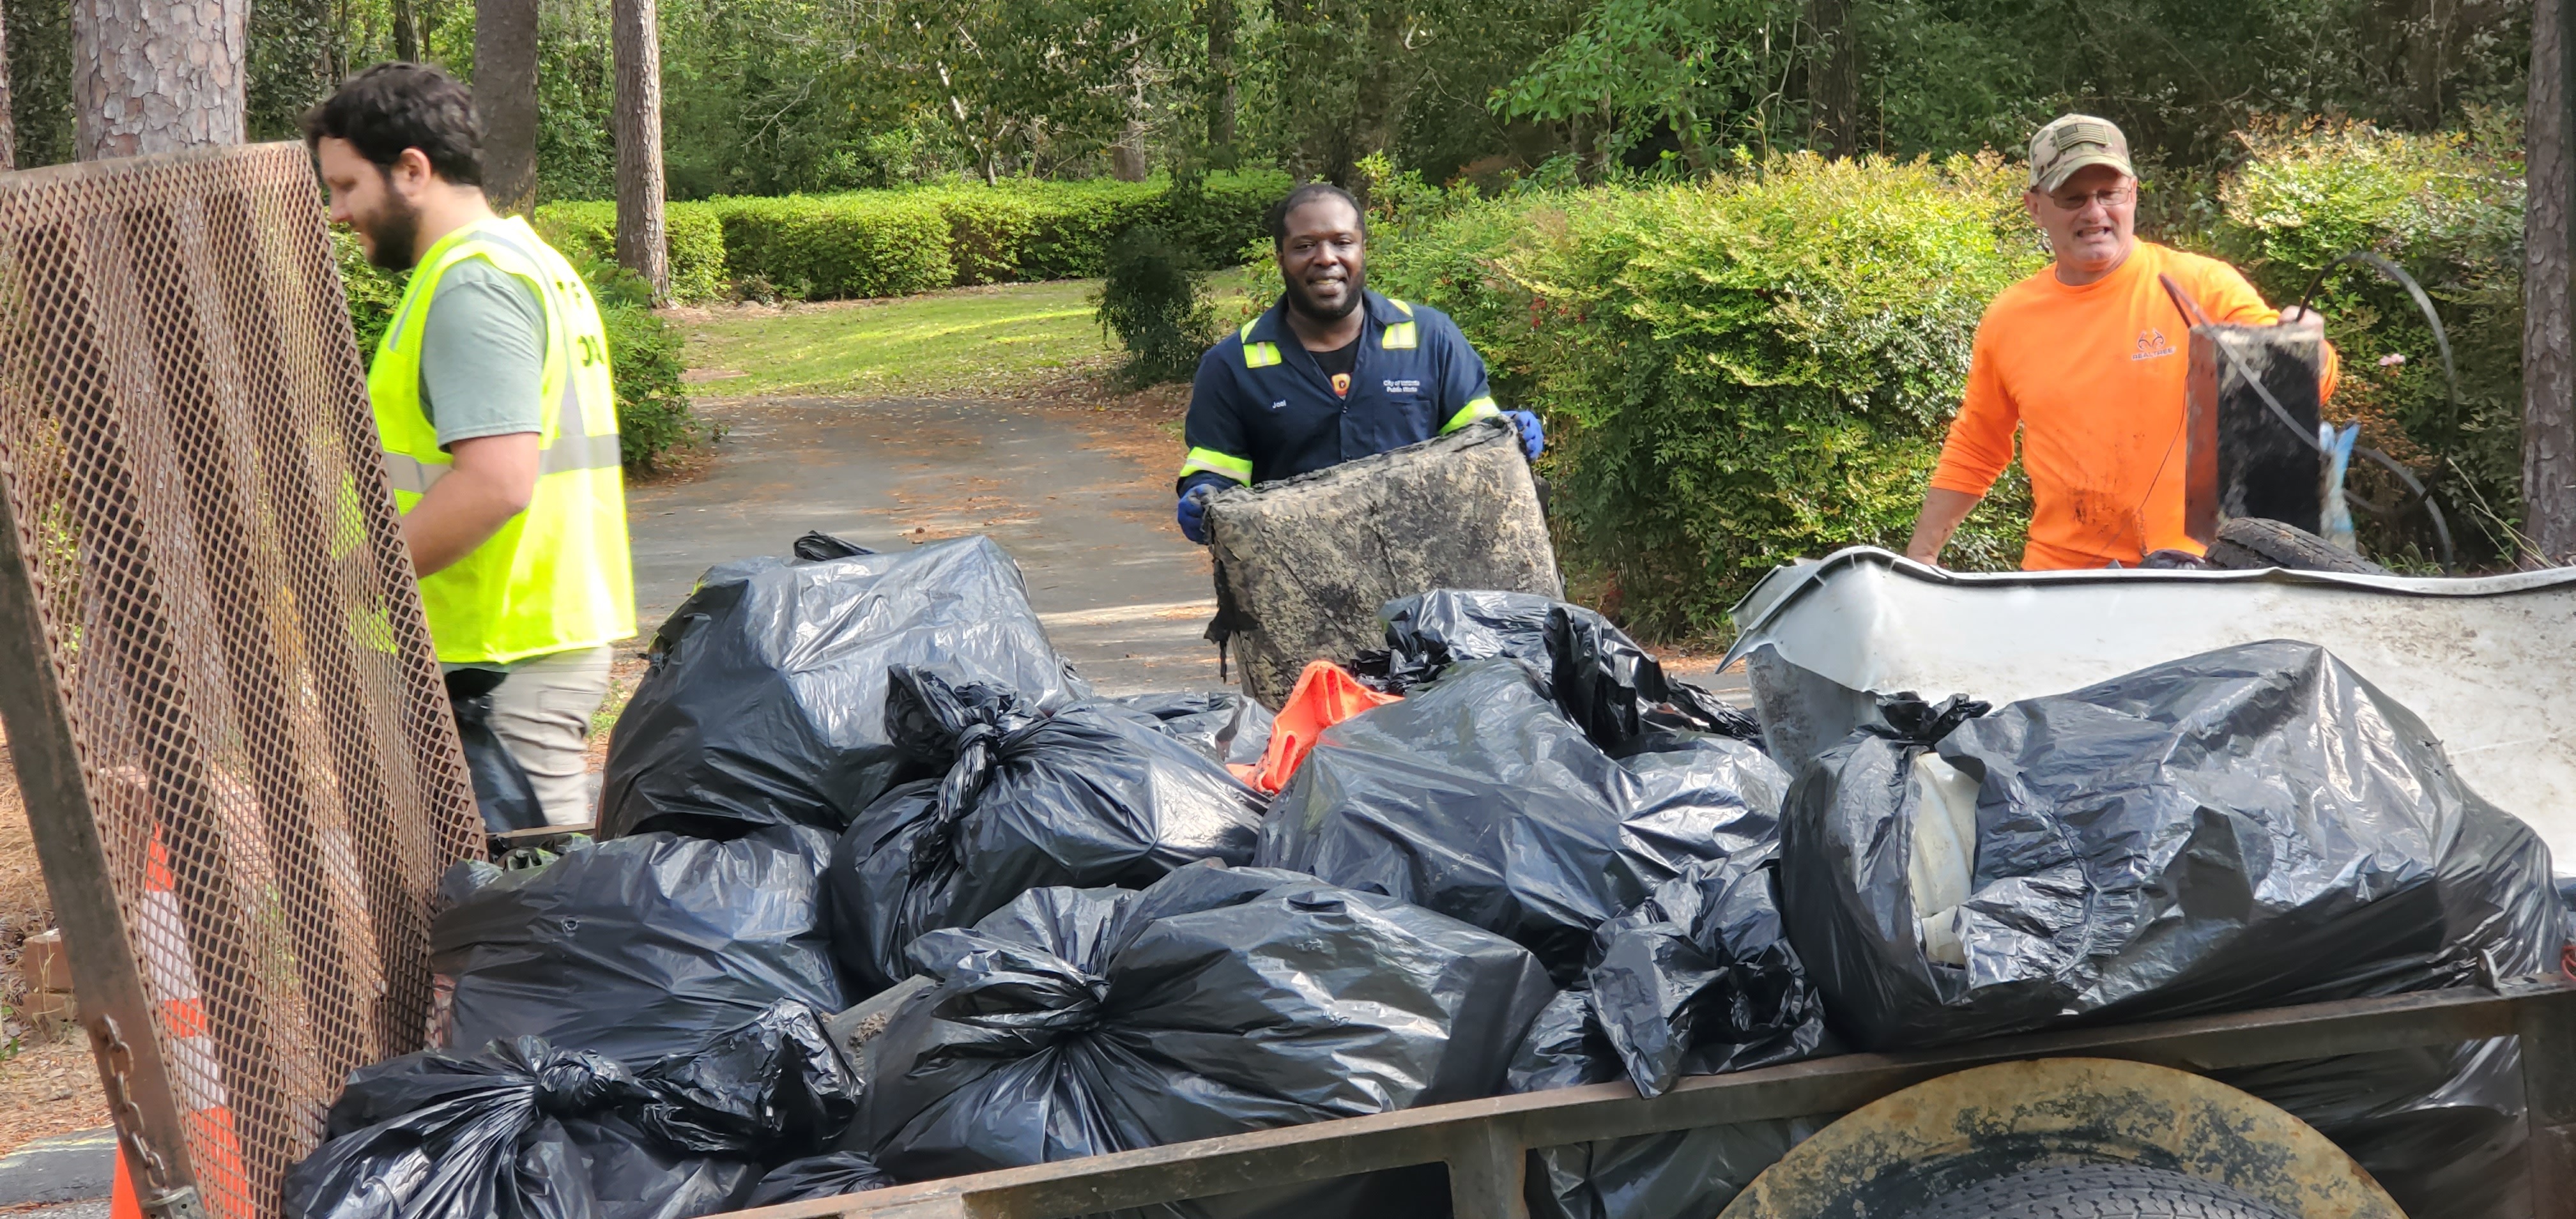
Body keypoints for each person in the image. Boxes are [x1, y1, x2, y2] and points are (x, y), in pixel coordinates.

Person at [305, 63, 634, 827]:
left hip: (497, 667)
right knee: (511, 918)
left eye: (348, 186)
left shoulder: (472, 285)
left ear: (412, 170)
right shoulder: (523, 263)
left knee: (527, 927)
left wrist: (342, 587)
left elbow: (496, 482)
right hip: (511, 650)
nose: (336, 211)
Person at [1905, 114, 2340, 571]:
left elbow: (2299, 389)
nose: (2094, 213)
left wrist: (2306, 349)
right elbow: (1977, 444)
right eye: (2072, 197)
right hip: (2065, 582)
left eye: (2108, 194)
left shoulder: (2202, 286)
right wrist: (1920, 558)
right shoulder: (2009, 318)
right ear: (2035, 207)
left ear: (2132, 193)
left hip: (2201, 576)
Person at [1173, 183, 1543, 542]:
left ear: (1362, 250)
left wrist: (1506, 432)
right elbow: (1218, 468)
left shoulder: (1430, 337)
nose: (1326, 258)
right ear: (1281, 259)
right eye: (1305, 246)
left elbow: (1474, 437)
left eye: (1342, 242)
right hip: (1293, 581)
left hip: (1424, 576)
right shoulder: (1233, 363)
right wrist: (1204, 494)